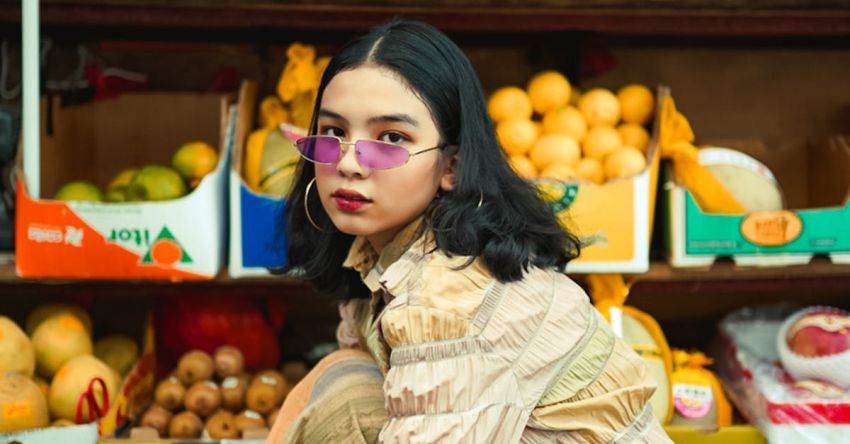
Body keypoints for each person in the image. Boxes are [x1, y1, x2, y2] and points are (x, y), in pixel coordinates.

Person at [268, 19, 672, 443]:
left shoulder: (447, 299)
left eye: (390, 137)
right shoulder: (381, 253)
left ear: (451, 166)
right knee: (345, 377)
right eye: (334, 132)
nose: (349, 163)